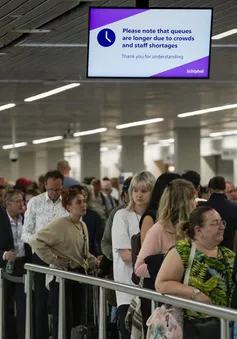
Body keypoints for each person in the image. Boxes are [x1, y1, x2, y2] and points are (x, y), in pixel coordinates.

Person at [156, 206, 235, 339]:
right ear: (198, 230)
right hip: (191, 329)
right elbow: (161, 284)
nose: (221, 227)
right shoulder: (183, 250)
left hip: (225, 329)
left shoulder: (229, 255)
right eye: (214, 223)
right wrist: (195, 294)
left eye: (222, 222)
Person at [30, 188, 99, 339]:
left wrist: (95, 261)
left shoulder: (82, 225)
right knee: (63, 321)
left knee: (77, 321)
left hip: (78, 277)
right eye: (78, 202)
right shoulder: (60, 224)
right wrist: (53, 259)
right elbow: (36, 240)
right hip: (61, 280)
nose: (83, 205)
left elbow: (82, 253)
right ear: (68, 206)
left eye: (84, 201)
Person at [22, 170, 69, 339]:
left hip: (61, 257)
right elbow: (25, 233)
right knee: (40, 301)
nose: (54, 193)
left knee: (59, 302)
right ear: (45, 186)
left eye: (57, 190)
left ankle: (58, 335)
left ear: (62, 187)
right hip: (40, 257)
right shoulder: (35, 202)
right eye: (51, 189)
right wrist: (38, 242)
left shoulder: (68, 203)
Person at [112, 171, 155, 339]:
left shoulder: (155, 217)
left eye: (144, 191)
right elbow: (125, 254)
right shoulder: (121, 215)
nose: (139, 194)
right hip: (127, 287)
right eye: (135, 190)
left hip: (149, 286)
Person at [0, 190, 32, 339]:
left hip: (23, 267)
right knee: (3, 306)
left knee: (24, 306)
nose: (22, 204)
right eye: (18, 201)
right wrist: (4, 254)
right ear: (8, 204)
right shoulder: (1, 220)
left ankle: (22, 335)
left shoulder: (27, 220)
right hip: (4, 267)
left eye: (23, 201)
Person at [101, 177, 132, 261]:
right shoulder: (117, 213)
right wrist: (117, 256)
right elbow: (105, 242)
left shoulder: (149, 214)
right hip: (121, 265)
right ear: (125, 194)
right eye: (132, 192)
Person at [205, 176, 237, 250]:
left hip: (207, 249)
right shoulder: (233, 207)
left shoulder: (203, 207)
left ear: (209, 189)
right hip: (228, 249)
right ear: (224, 189)